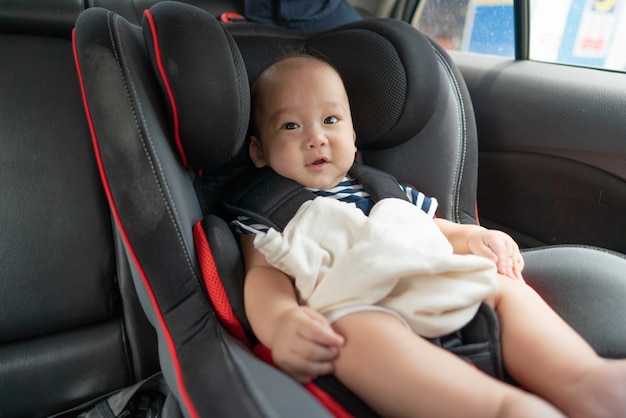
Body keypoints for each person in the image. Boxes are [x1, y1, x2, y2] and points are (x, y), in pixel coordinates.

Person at [233, 53, 626, 417]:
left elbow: (433, 229)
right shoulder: (269, 213)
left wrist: (474, 238)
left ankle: (585, 379)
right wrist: (282, 320)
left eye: (331, 121)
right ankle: (501, 408)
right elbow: (263, 277)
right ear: (259, 151)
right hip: (358, 302)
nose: (316, 137)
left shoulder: (384, 189)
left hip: (432, 277)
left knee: (499, 286)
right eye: (291, 126)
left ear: (353, 138)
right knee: (352, 338)